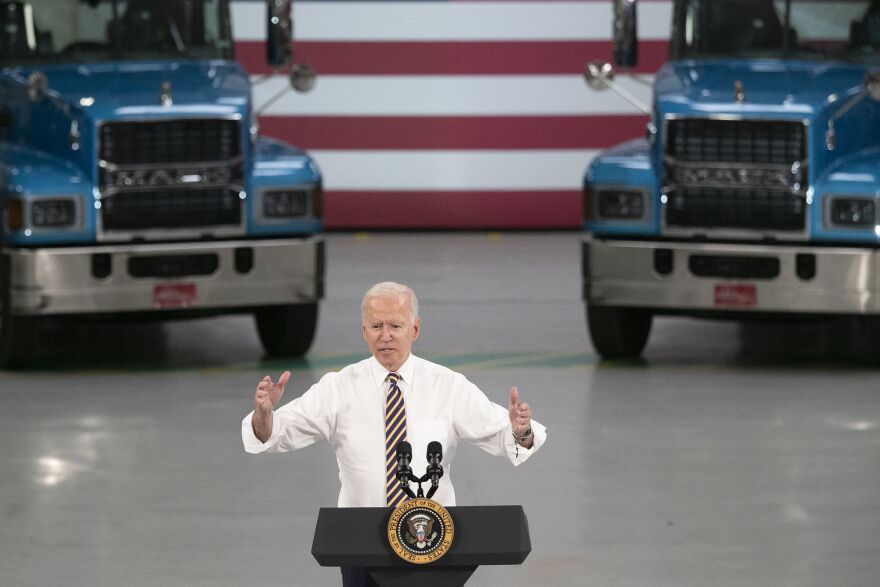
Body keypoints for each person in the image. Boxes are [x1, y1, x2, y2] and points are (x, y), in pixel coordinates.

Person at [241, 281, 547, 586]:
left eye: (395, 325)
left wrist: (520, 432)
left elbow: (505, 436)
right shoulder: (338, 388)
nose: (385, 335)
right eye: (376, 325)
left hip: (432, 539)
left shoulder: (448, 385)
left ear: (415, 329)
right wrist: (264, 414)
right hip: (360, 541)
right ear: (363, 330)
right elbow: (276, 434)